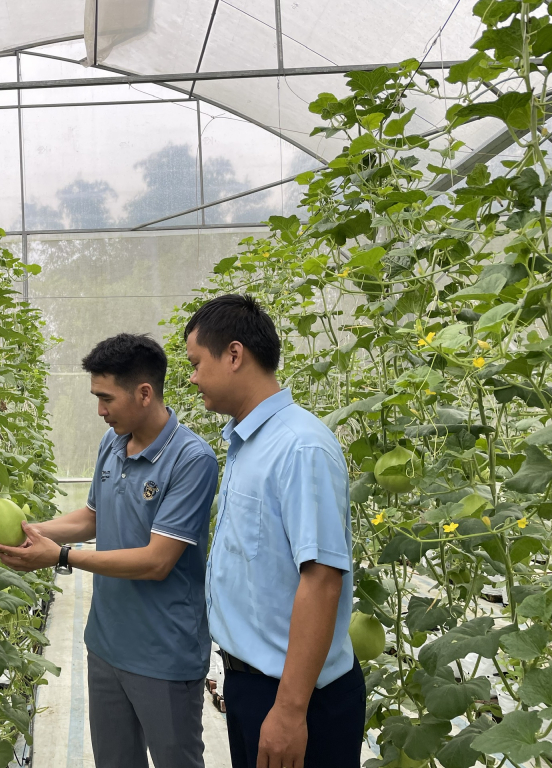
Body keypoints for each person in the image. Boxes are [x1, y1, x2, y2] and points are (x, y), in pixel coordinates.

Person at [0, 333, 219, 768]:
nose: (99, 411)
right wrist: (30, 533)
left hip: (164, 654)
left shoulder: (192, 459)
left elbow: (157, 561)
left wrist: (59, 556)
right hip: (107, 644)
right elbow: (92, 518)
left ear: (144, 393)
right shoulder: (114, 443)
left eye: (105, 398)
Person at [183, 294, 364, 768]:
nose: (193, 377)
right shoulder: (249, 442)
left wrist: (288, 710)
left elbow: (323, 580)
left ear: (235, 355)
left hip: (296, 696)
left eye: (197, 363)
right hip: (254, 685)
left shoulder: (300, 447)